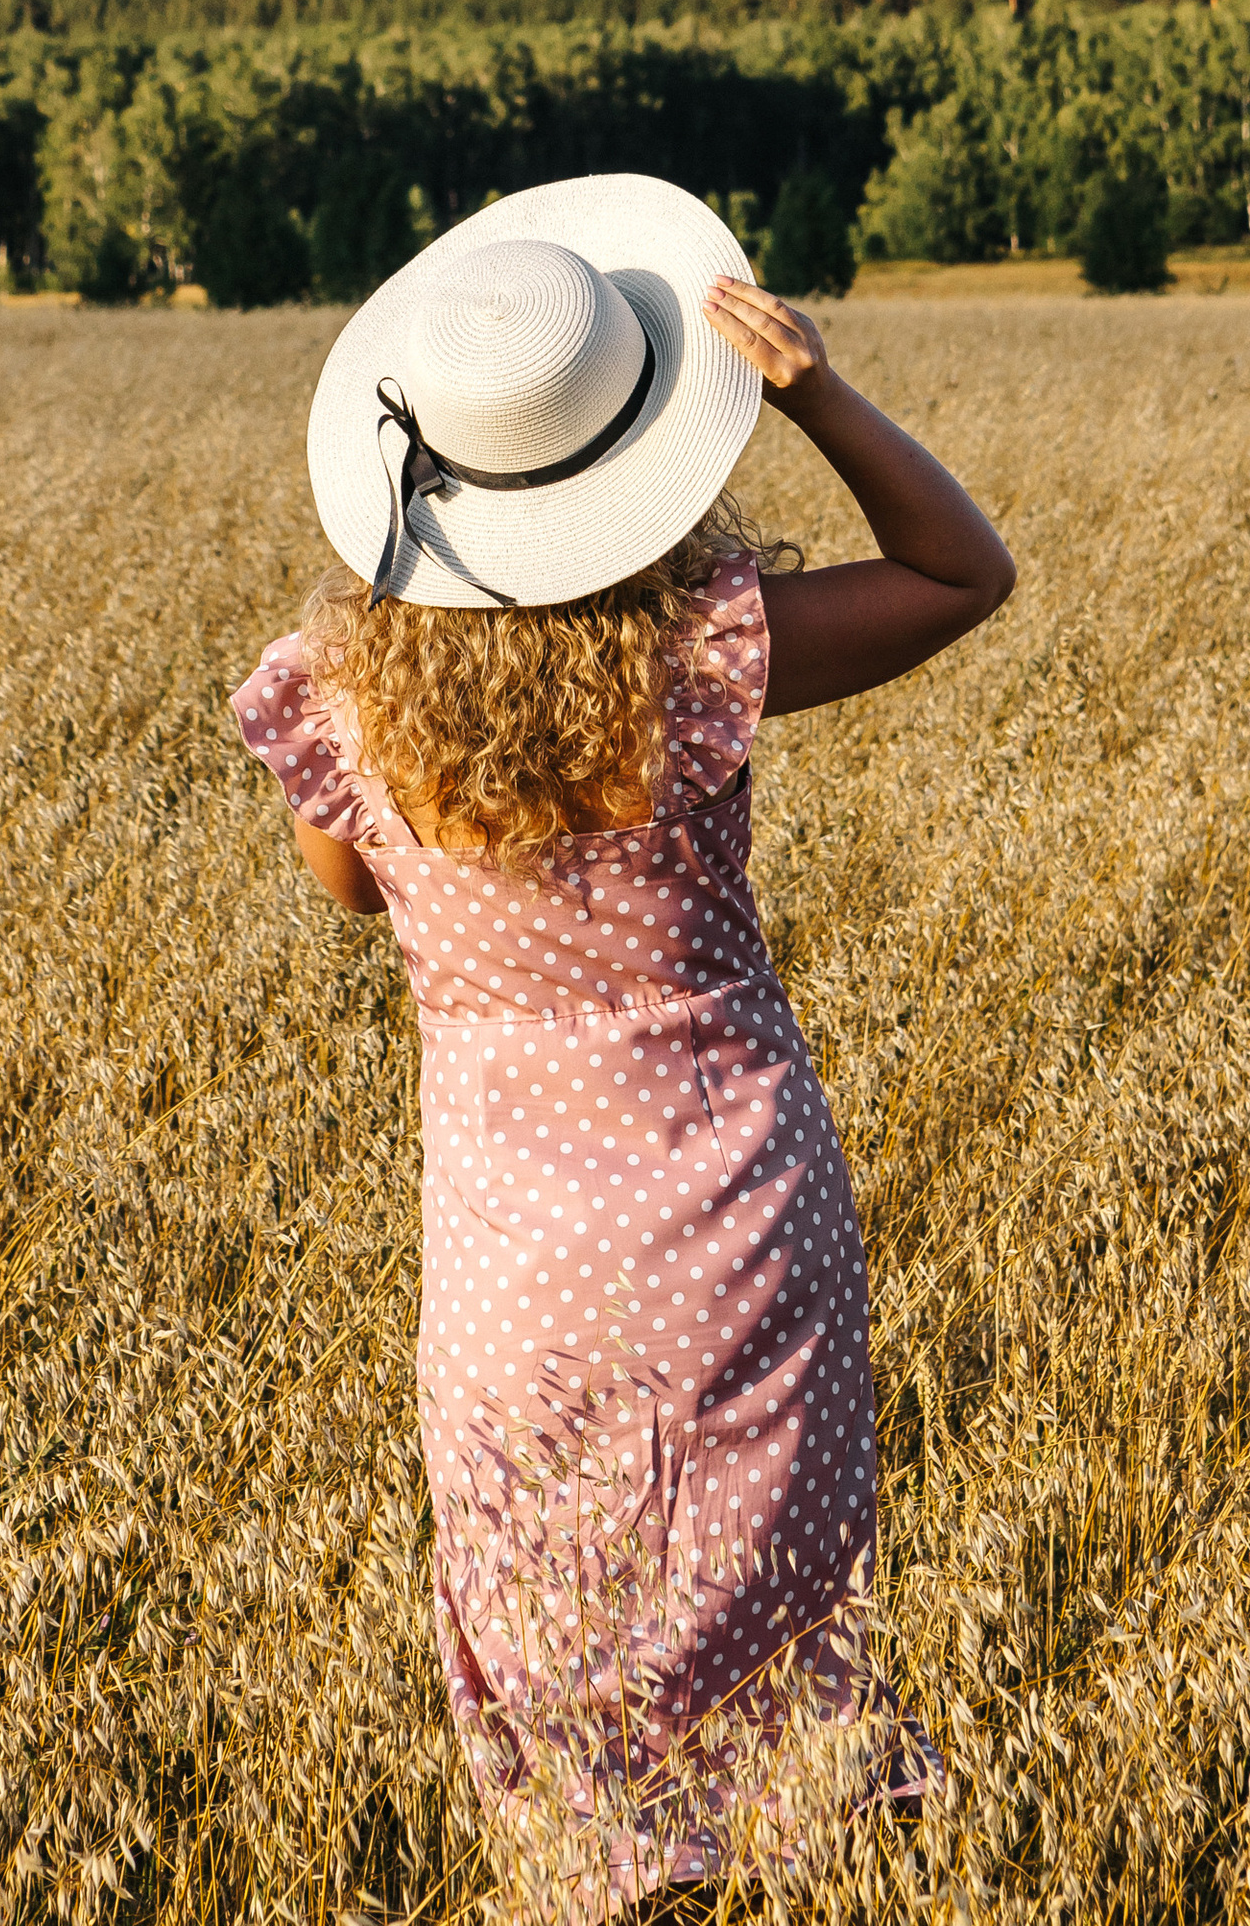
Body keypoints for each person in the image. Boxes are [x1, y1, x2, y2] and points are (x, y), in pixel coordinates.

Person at [230, 173, 1015, 1906]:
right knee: (782, 1650)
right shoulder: (704, 666)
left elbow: (351, 896)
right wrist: (814, 388)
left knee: (560, 1647)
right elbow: (968, 572)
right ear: (635, 445)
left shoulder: (340, 694)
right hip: (744, 1216)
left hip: (515, 1257)